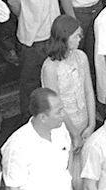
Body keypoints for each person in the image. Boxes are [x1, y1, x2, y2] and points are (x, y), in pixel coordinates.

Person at [2, 88, 72, 190]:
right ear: (43, 117)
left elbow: (68, 160)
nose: (63, 114)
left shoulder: (61, 129)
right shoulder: (17, 145)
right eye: (58, 111)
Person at [41, 15, 96, 154]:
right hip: (64, 126)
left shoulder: (81, 56)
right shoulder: (50, 67)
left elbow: (88, 91)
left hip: (84, 120)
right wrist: (74, 134)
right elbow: (56, 105)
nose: (80, 39)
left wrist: (92, 123)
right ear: (65, 37)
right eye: (76, 36)